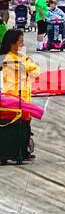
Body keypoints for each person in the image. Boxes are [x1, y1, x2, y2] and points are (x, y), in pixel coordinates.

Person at [1, 27, 39, 164]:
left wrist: (28, 67)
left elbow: (35, 71)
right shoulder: (6, 58)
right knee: (13, 126)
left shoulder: (21, 56)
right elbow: (27, 68)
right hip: (11, 99)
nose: (22, 44)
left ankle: (23, 151)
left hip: (24, 98)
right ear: (12, 43)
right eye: (20, 41)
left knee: (25, 125)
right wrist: (27, 67)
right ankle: (13, 152)